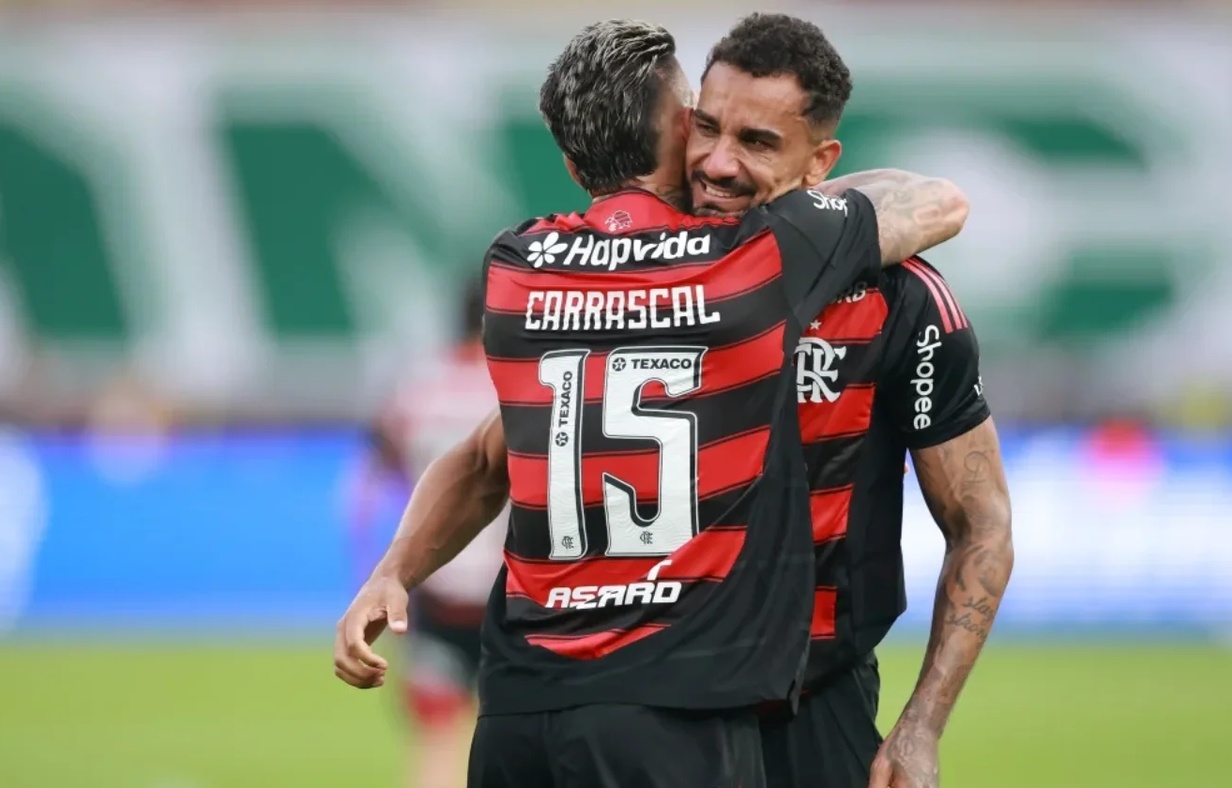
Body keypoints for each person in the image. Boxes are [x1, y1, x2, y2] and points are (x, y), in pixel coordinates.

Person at [333, 17, 969, 788]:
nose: (717, 156)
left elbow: (481, 457)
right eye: (700, 120)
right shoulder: (751, 261)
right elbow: (938, 204)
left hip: (518, 708)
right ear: (677, 130)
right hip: (672, 700)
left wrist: (392, 572)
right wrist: (806, 202)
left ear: (571, 163)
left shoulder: (518, 267)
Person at [686, 16, 1015, 788]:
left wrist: (921, 726)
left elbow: (982, 524)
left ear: (819, 162)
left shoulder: (902, 300)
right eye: (706, 127)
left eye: (758, 142)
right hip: (647, 708)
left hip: (815, 705)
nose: (718, 163)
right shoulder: (628, 270)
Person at [350, 281, 506, 788]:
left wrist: (376, 569)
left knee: (436, 739)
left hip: (435, 587)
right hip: (512, 592)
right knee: (519, 743)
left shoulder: (420, 384)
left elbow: (373, 478)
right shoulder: (521, 381)